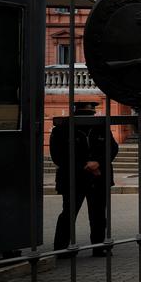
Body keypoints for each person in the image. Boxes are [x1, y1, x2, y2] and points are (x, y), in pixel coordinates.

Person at [50, 101, 118, 258]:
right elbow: (58, 156)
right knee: (68, 213)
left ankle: (99, 246)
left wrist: (98, 162)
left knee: (98, 214)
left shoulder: (101, 128)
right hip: (73, 178)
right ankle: (61, 248)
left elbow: (112, 148)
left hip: (98, 177)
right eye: (84, 116)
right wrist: (85, 165)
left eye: (90, 115)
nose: (88, 118)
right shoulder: (62, 130)